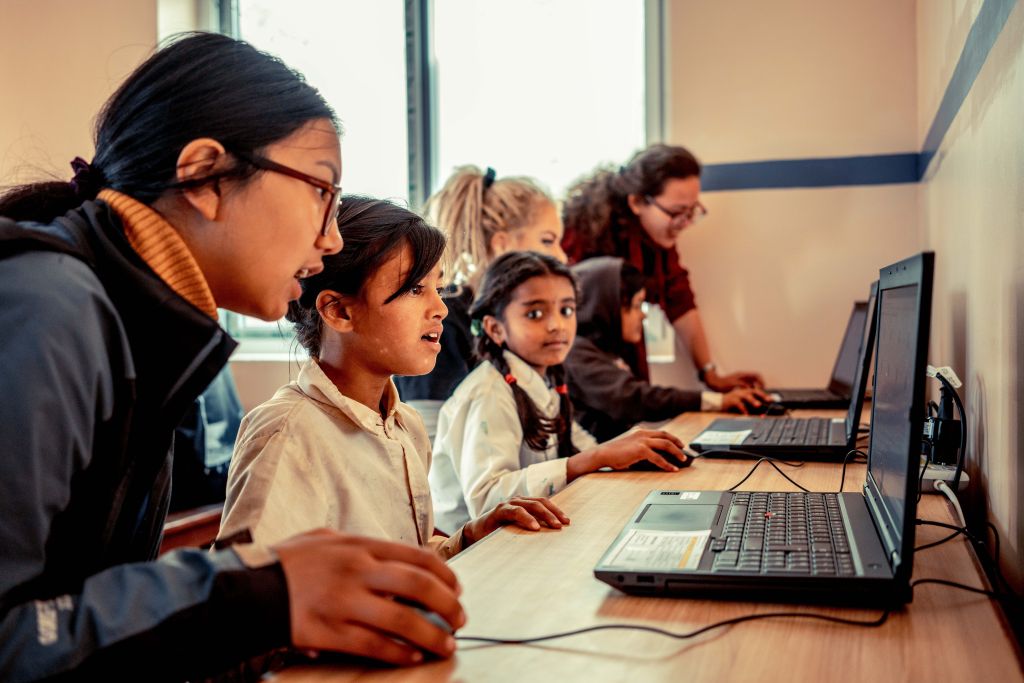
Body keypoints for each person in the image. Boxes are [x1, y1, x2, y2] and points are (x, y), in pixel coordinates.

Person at [0, 33, 461, 681]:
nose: (330, 240)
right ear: (205, 176)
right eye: (321, 192)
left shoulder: (143, 330)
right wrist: (260, 591)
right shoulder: (50, 304)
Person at [218, 196, 569, 555]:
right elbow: (247, 588)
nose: (441, 308)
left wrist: (466, 538)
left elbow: (401, 559)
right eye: (416, 289)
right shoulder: (288, 432)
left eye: (439, 288)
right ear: (338, 311)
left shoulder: (406, 426)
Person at [429, 251, 689, 534]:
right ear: (495, 328)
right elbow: (488, 500)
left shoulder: (545, 381)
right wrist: (592, 460)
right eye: (535, 314)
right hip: (482, 555)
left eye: (566, 310)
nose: (557, 325)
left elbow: (586, 447)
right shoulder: (489, 393)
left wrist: (629, 451)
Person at [562, 144, 764, 391]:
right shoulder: (579, 240)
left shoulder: (656, 242)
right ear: (636, 202)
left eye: (692, 211)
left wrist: (710, 374)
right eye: (677, 212)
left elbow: (680, 300)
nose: (686, 222)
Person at [394, 166, 567, 441]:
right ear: (502, 244)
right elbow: (428, 443)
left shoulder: (509, 322)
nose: (562, 256)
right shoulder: (444, 320)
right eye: (548, 241)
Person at [566, 257, 769, 442]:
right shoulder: (576, 352)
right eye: (637, 306)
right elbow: (634, 398)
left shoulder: (606, 349)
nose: (643, 316)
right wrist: (717, 401)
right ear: (605, 306)